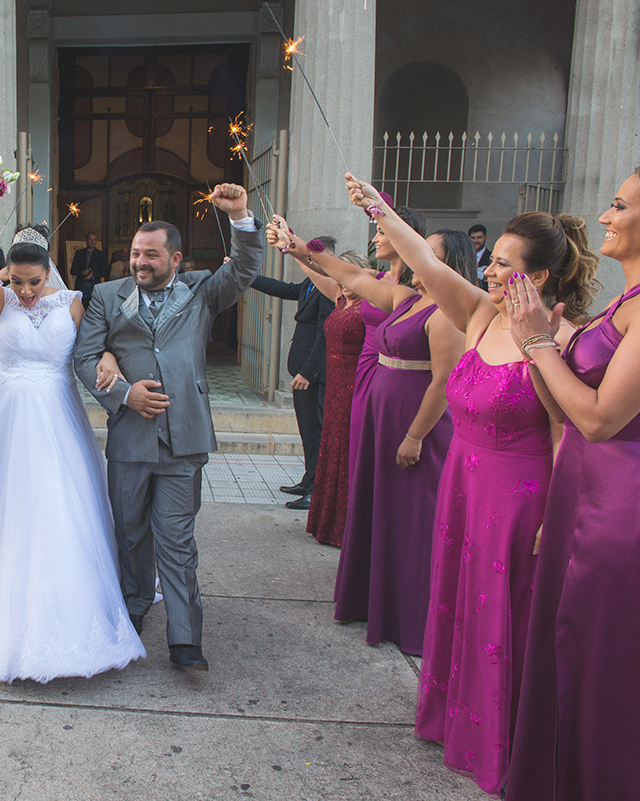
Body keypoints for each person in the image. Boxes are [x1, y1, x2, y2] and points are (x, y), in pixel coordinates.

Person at [348, 174, 599, 794]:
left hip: (520, 497)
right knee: (459, 601)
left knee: (502, 616)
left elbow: (568, 432)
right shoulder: (481, 313)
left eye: (504, 264)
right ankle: (454, 719)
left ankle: (503, 740)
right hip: (463, 480)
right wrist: (379, 208)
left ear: (539, 277)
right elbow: (425, 263)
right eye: (491, 260)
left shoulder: (561, 338)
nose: (489, 271)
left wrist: (556, 514)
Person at [0, 200, 144, 683]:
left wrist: (108, 357)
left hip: (59, 414)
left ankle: (68, 593)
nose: (25, 291)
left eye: (34, 282)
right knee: (8, 501)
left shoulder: (72, 302)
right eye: (17, 280)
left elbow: (96, 345)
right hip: (9, 415)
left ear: (49, 271)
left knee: (60, 500)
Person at [74, 183, 263, 671]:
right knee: (130, 534)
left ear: (175, 258)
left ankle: (184, 639)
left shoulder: (202, 290)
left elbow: (245, 268)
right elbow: (85, 356)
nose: (140, 262)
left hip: (184, 437)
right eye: (136, 253)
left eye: (151, 255)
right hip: (131, 438)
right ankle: (133, 608)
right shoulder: (107, 295)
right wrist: (124, 394)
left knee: (177, 539)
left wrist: (240, 217)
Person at [270, 212, 467, 657]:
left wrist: (415, 436)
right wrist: (298, 247)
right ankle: (372, 598)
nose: (419, 260)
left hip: (414, 422)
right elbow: (352, 277)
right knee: (380, 508)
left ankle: (409, 616)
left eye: (429, 255)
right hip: (381, 411)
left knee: (412, 519)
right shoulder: (406, 298)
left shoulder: (449, 314)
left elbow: (443, 382)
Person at [506, 168, 640, 800]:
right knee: (566, 648)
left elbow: (599, 419)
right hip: (579, 492)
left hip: (617, 506)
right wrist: (534, 346)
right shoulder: (621, 302)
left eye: (619, 205)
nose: (605, 217)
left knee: (597, 661)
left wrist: (539, 343)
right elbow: (561, 409)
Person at [248, 238, 337, 510]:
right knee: (306, 431)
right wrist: (247, 276)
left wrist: (308, 373)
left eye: (318, 257)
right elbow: (283, 288)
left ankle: (316, 491)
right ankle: (308, 480)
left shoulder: (330, 289)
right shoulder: (310, 283)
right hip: (301, 371)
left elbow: (324, 336)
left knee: (316, 433)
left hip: (314, 375)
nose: (312, 262)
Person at [294, 251, 374, 547]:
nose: (345, 281)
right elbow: (316, 272)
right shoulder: (339, 298)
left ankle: (350, 527)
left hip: (357, 386)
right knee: (332, 448)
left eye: (351, 274)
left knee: (350, 451)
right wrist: (291, 248)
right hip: (334, 387)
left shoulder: (373, 304)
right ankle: (329, 523)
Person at [469, 224, 492, 288]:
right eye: (473, 238)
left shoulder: (492, 257)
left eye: (479, 237)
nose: (476, 241)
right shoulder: (463, 257)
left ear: (485, 238)